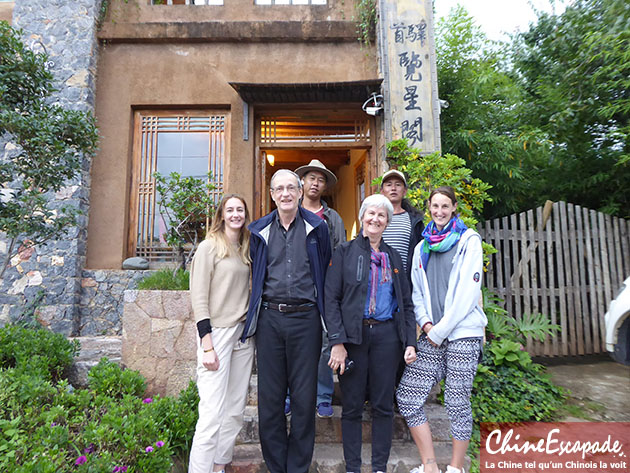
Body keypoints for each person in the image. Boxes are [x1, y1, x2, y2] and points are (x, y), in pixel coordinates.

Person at [241, 169, 332, 473]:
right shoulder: (259, 231)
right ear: (272, 194)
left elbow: (325, 272)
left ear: (300, 190)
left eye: (291, 188)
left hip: (306, 319)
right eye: (279, 189)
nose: (285, 194)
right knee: (270, 399)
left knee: (304, 400)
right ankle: (277, 465)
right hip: (270, 319)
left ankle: (298, 467)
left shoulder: (317, 227)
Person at [396, 186, 487, 473]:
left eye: (445, 206)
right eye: (435, 206)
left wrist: (439, 331)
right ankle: (430, 466)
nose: (439, 212)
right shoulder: (422, 246)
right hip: (432, 333)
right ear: (428, 207)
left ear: (454, 207)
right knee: (408, 396)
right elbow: (417, 293)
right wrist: (425, 323)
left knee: (458, 400)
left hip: (463, 334)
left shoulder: (468, 240)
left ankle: (456, 468)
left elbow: (467, 294)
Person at [325, 193, 417, 473]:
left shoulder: (394, 256)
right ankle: (353, 467)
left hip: (387, 338)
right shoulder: (344, 252)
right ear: (362, 216)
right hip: (353, 338)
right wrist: (337, 342)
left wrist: (409, 342)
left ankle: (379, 467)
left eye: (382, 215)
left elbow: (407, 302)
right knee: (352, 406)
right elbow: (331, 299)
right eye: (371, 213)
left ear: (387, 222)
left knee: (382, 405)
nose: (375, 219)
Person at [188, 194, 255, 473]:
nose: (235, 214)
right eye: (230, 210)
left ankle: (219, 465)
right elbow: (198, 297)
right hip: (216, 334)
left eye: (240, 209)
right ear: (222, 214)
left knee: (235, 410)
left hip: (243, 335)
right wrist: (207, 344)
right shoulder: (209, 247)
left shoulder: (246, 248)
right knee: (212, 413)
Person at [294, 159, 346, 419]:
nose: (315, 183)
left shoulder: (332, 218)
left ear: (325, 186)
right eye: (311, 178)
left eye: (320, 179)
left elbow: (340, 254)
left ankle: (323, 395)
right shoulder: (290, 211)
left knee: (325, 345)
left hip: (324, 290)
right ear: (302, 182)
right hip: (295, 290)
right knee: (297, 345)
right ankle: (293, 395)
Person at [380, 169, 424, 277]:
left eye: (398, 185)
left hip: (405, 282)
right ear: (382, 191)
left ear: (404, 191)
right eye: (389, 185)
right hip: (378, 281)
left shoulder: (414, 221)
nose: (393, 188)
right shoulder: (374, 219)